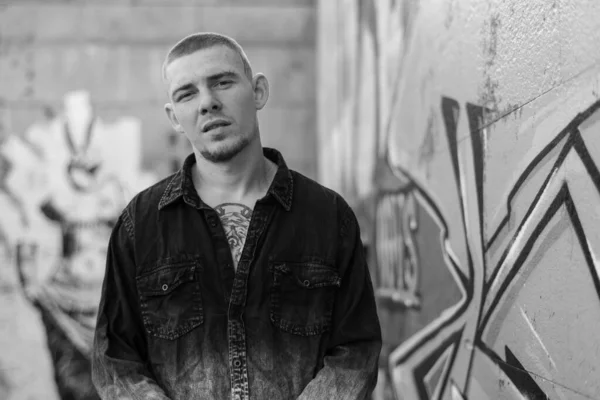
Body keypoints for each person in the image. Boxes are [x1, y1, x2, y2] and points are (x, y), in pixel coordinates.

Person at [91, 32, 382, 400]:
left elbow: (356, 351)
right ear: (174, 117)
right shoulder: (141, 223)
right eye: (187, 93)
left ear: (258, 91)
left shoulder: (328, 216)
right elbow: (116, 361)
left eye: (222, 83)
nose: (208, 103)